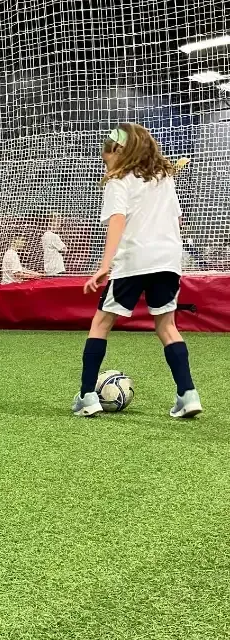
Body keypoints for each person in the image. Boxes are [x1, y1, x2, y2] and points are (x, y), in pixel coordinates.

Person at [73, 123, 202, 418]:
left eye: (106, 154)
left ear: (119, 150)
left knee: (101, 324)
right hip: (169, 260)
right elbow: (176, 220)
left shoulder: (118, 181)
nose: (105, 160)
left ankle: (87, 396)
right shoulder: (165, 179)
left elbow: (118, 220)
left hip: (133, 261)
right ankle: (188, 394)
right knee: (167, 327)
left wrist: (104, 266)